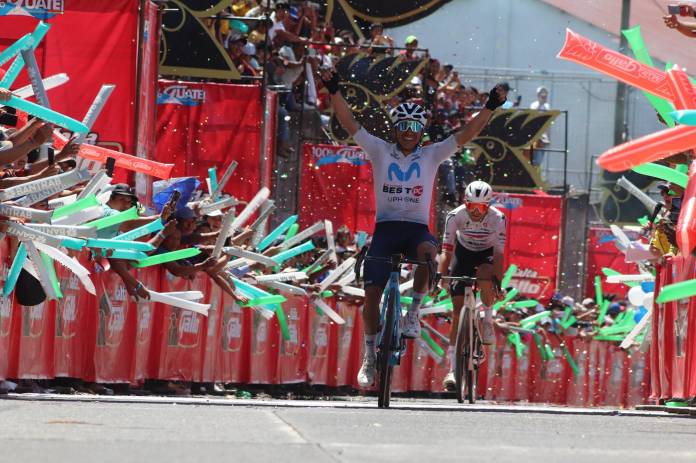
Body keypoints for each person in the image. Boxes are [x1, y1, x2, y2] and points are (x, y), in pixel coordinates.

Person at [319, 66, 508, 388]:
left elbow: (466, 134)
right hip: (386, 229)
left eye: (414, 127)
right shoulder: (380, 150)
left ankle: (413, 313)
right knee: (371, 296)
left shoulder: (432, 155)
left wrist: (490, 106)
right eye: (403, 126)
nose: (408, 132)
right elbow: (350, 123)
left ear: (421, 130)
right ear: (396, 128)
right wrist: (334, 90)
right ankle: (369, 356)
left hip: (416, 230)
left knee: (427, 253)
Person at [436, 181, 506, 391]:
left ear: (488, 206)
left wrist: (498, 283)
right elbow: (446, 251)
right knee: (458, 311)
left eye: (481, 207)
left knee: (485, 275)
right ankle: (452, 368)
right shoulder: (454, 216)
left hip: (486, 254)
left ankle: (487, 319)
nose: (476, 212)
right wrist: (440, 277)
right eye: (472, 207)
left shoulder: (498, 218)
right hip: (463, 253)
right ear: (465, 203)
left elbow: (499, 255)